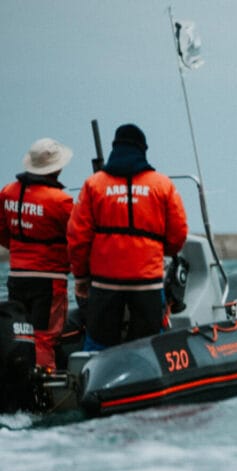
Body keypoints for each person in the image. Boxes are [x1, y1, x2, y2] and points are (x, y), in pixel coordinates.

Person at [67, 124, 189, 350]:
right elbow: (178, 233)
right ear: (143, 150)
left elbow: (78, 236)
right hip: (147, 282)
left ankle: (90, 379)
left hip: (105, 282)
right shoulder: (162, 185)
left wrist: (82, 276)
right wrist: (161, 250)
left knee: (99, 343)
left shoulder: (94, 185)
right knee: (150, 344)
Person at [0, 138, 75, 369]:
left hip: (17, 277)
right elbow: (78, 240)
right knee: (44, 337)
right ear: (56, 168)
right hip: (49, 281)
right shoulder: (61, 201)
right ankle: (43, 392)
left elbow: (3, 233)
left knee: (21, 333)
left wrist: (23, 252)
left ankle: (21, 381)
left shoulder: (8, 193)